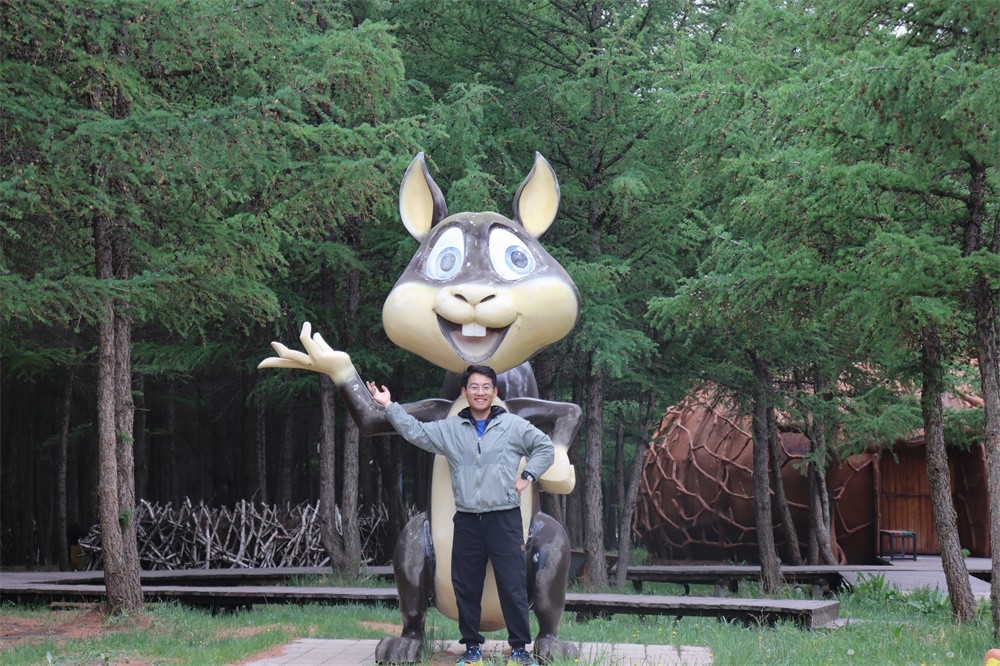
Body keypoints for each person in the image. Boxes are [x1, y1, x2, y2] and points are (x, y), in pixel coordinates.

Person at [367, 365, 554, 666]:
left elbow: (544, 447)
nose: (480, 393)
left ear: (495, 391)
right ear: (464, 392)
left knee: (512, 584)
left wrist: (527, 475)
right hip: (467, 520)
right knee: (466, 586)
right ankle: (472, 648)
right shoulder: (451, 428)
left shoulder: (513, 426)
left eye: (486, 387)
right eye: (474, 387)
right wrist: (389, 406)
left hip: (504, 519)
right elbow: (416, 432)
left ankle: (520, 649)